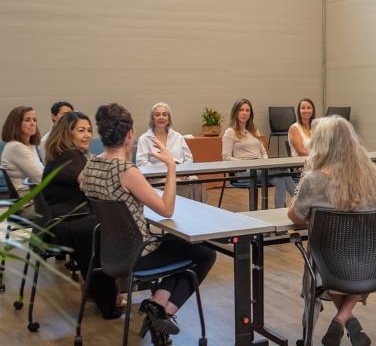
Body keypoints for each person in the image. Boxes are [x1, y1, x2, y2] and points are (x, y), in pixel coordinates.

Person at [81, 103, 216, 341]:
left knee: (179, 243)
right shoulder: (126, 171)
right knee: (204, 253)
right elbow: (166, 209)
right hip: (138, 254)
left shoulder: (89, 165)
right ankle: (163, 310)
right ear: (130, 134)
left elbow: (87, 186)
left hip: (108, 252)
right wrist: (171, 166)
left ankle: (157, 306)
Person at [287, 116, 376, 346]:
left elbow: (296, 217)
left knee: (325, 256)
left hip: (330, 266)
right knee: (351, 261)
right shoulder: (374, 176)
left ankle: (341, 317)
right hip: (375, 265)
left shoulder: (314, 180)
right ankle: (347, 320)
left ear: (321, 145)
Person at [43, 111, 122, 319]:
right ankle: (109, 298)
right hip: (70, 224)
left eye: (89, 130)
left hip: (63, 221)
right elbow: (91, 186)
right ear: (67, 133)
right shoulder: (70, 157)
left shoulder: (64, 155)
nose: (87, 135)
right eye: (81, 130)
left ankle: (103, 290)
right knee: (113, 227)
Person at [222, 98, 296, 208]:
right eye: (241, 110)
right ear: (235, 112)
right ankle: (300, 203)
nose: (244, 113)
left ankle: (279, 212)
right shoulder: (230, 132)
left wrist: (265, 163)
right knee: (283, 170)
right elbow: (226, 157)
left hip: (261, 168)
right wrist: (244, 163)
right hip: (244, 171)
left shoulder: (254, 130)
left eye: (247, 110)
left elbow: (263, 152)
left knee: (280, 181)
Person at [135, 102, 205, 202]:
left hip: (181, 174)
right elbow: (141, 163)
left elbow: (188, 158)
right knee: (181, 184)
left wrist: (184, 172)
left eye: (164, 114)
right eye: (157, 114)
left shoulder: (178, 136)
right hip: (158, 177)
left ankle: (199, 213)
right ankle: (180, 214)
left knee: (196, 181)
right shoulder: (144, 139)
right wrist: (168, 172)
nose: (161, 117)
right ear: (152, 118)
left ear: (169, 118)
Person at [1, 106, 43, 194]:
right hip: (28, 200)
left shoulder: (30, 146)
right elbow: (41, 178)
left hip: (38, 195)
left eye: (34, 120)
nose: (32, 123)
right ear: (16, 124)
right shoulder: (16, 147)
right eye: (27, 120)